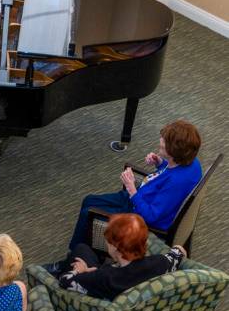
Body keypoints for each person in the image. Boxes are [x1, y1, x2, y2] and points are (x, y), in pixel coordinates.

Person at [68, 120, 202, 250]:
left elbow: (150, 216)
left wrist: (132, 189)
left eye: (164, 140)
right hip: (141, 198)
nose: (160, 140)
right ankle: (86, 246)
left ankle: (74, 257)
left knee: (88, 213)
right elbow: (172, 170)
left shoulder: (175, 183)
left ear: (173, 150)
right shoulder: (191, 162)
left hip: (139, 214)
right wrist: (160, 163)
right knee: (89, 200)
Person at [45, 213, 187, 300]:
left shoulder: (105, 277)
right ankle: (62, 264)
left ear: (115, 247)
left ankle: (60, 267)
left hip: (98, 295)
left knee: (81, 249)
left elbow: (65, 282)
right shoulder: (160, 263)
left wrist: (79, 271)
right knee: (82, 251)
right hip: (124, 286)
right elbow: (180, 251)